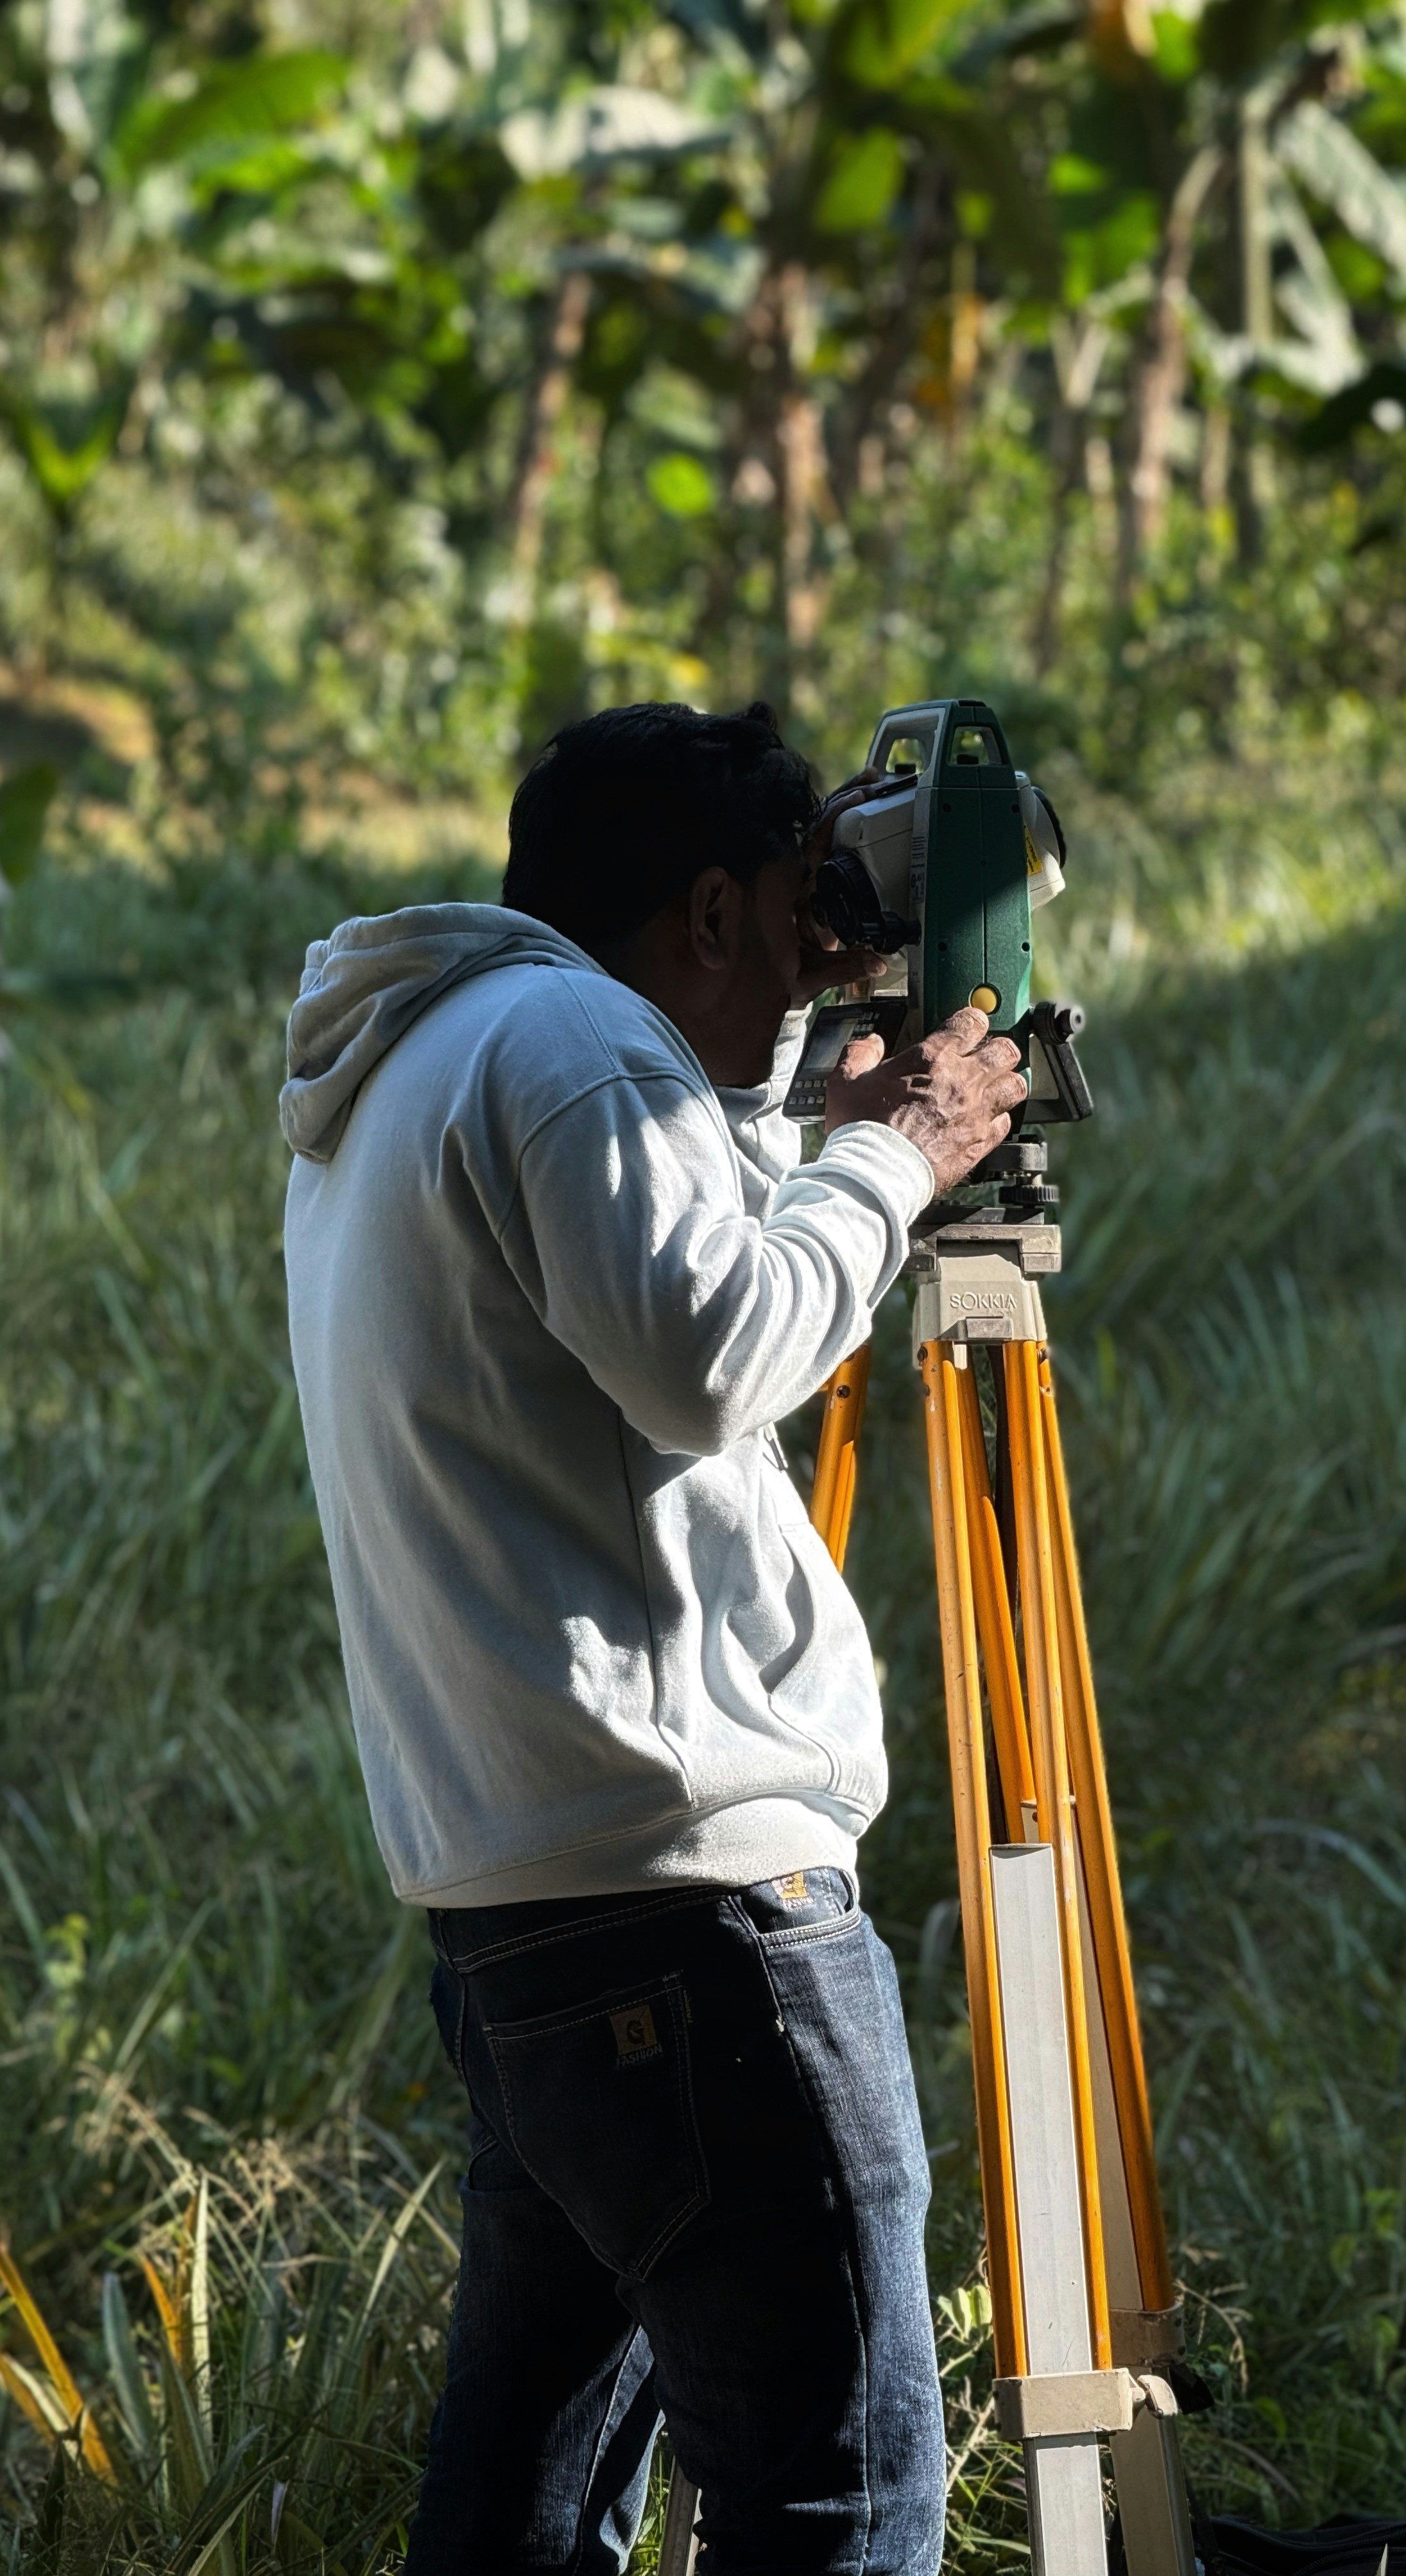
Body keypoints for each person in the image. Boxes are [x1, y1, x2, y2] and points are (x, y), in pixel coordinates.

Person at [279, 700, 1028, 2576]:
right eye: (791, 915)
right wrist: (905, 1155)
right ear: (705, 910)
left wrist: (804, 1118)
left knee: (523, 2512)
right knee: (836, 2509)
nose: (813, 957)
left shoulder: (436, 1050)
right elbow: (709, 1355)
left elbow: (635, 1289)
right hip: (690, 1920)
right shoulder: (572, 1041)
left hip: (532, 1916)